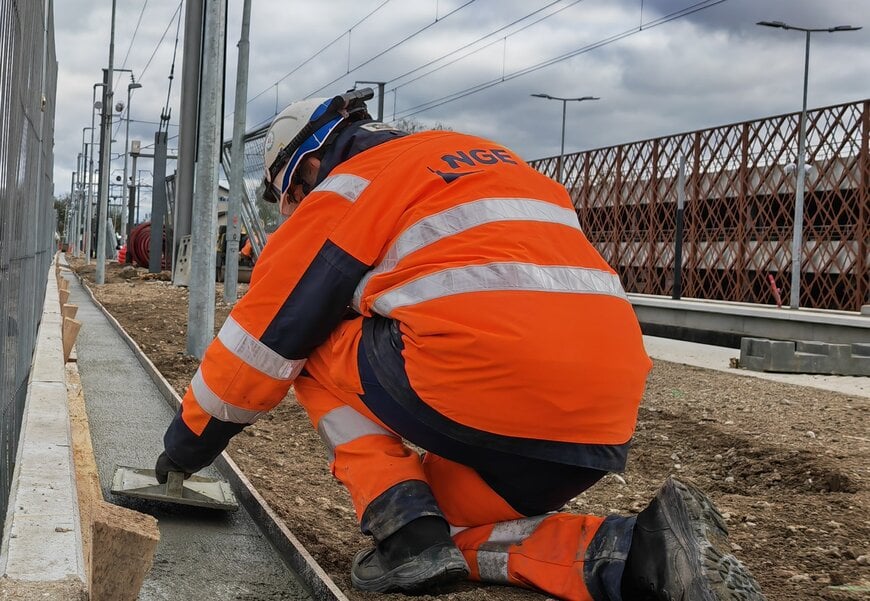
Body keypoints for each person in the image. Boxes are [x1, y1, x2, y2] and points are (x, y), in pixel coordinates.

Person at [155, 89, 765, 600]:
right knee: (458, 530)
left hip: (489, 374)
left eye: (286, 196)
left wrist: (182, 451)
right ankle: (641, 556)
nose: (290, 210)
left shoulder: (347, 186)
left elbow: (258, 346)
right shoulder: (495, 160)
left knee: (304, 341)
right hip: (601, 413)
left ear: (305, 169)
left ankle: (404, 530)